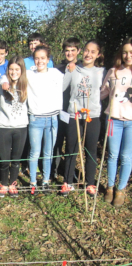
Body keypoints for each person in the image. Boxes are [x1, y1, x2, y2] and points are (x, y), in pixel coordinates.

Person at [61, 40, 106, 197]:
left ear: (98, 55)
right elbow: (62, 87)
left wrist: (97, 100)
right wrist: (69, 70)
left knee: (91, 150)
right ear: (82, 51)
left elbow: (106, 91)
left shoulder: (101, 72)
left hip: (92, 116)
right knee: (71, 149)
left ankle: (90, 183)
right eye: (87, 50)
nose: (88, 54)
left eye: (93, 52)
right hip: (74, 114)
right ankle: (67, 182)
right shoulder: (73, 68)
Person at [0, 56, 28, 197]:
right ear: (7, 70)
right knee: (4, 159)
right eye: (11, 69)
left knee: (15, 160)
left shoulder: (26, 84)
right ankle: (3, 182)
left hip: (21, 127)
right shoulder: (0, 84)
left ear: (22, 70)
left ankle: (13, 182)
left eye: (17, 69)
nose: (14, 72)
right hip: (3, 127)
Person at [27, 45, 64, 193]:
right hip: (35, 119)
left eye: (43, 58)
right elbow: (10, 74)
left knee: (48, 152)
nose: (39, 61)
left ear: (48, 59)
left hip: (52, 119)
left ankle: (46, 180)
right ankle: (33, 183)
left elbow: (68, 80)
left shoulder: (56, 73)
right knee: (35, 152)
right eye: (36, 58)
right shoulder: (29, 74)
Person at [100, 37, 132, 207]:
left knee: (127, 156)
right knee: (112, 155)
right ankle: (110, 188)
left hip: (131, 122)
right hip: (113, 119)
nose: (128, 55)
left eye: (131, 52)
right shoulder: (113, 72)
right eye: (125, 52)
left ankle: (120, 189)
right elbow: (102, 93)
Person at [52, 37, 82, 179]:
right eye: (67, 50)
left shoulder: (82, 68)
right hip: (59, 110)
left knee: (72, 145)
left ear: (78, 51)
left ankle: (70, 173)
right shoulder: (57, 68)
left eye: (72, 50)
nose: (69, 53)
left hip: (75, 112)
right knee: (57, 142)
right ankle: (55, 170)